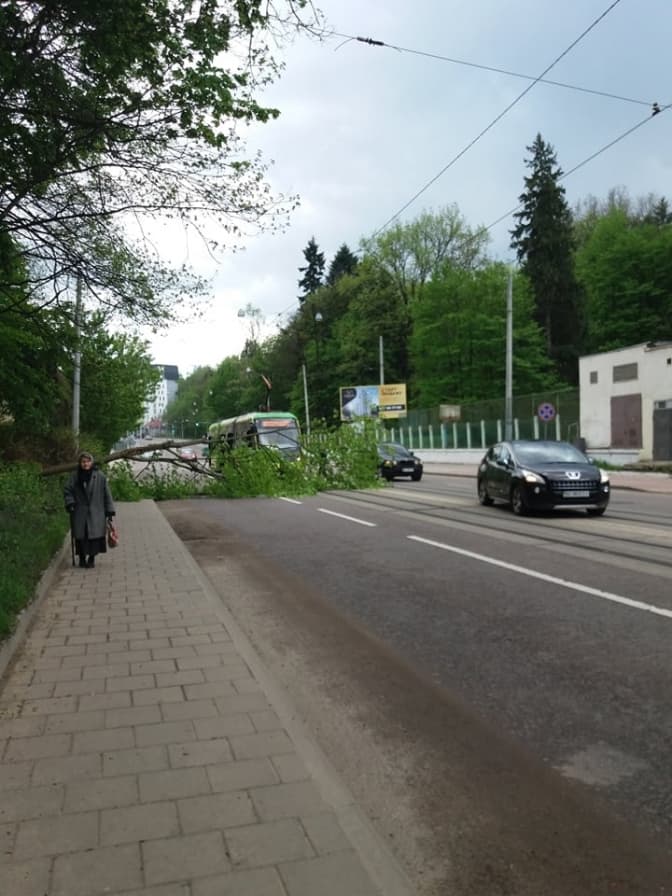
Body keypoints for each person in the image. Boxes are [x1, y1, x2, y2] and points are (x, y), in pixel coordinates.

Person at [64, 451, 116, 569]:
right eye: (83, 462)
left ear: (91, 462)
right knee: (81, 536)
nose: (85, 464)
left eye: (88, 461)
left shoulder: (100, 476)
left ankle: (91, 559)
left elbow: (107, 494)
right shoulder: (75, 476)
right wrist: (70, 503)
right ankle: (82, 558)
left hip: (96, 512)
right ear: (80, 463)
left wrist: (109, 510)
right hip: (80, 511)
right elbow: (67, 490)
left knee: (94, 537)